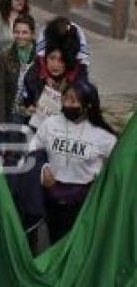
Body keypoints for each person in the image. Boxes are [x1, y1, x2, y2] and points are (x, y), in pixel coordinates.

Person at [28, 82, 116, 244]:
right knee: (54, 241)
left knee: (77, 244)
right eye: (66, 99)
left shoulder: (103, 136)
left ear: (88, 105)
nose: (68, 104)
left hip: (82, 201)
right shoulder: (50, 123)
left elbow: (116, 166)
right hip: (52, 197)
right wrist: (43, 168)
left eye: (74, 100)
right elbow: (33, 148)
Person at [0, 15, 36, 124]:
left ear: (32, 33)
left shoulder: (40, 58)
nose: (20, 36)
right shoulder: (4, 57)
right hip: (13, 113)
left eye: (25, 32)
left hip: (34, 115)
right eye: (17, 32)